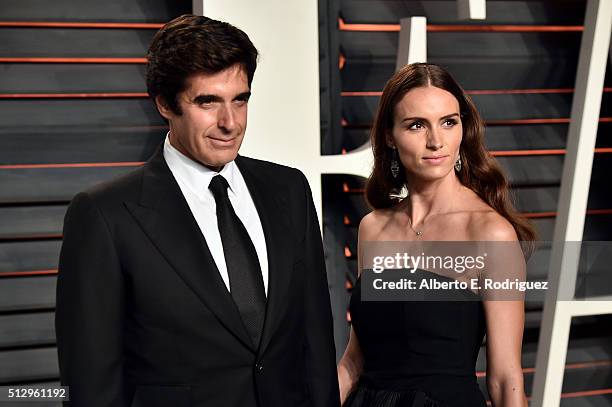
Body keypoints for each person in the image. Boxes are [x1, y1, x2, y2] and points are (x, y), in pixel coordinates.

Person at [56, 14, 339, 407]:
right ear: (164, 105)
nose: (230, 123)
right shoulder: (105, 215)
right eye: (208, 102)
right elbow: (91, 384)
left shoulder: (289, 190)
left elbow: (316, 345)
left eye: (240, 100)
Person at [337, 63, 536, 407]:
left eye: (448, 122)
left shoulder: (490, 233)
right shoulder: (373, 227)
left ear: (463, 128)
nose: (435, 141)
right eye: (416, 125)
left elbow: (505, 379)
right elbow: (355, 359)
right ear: (389, 135)